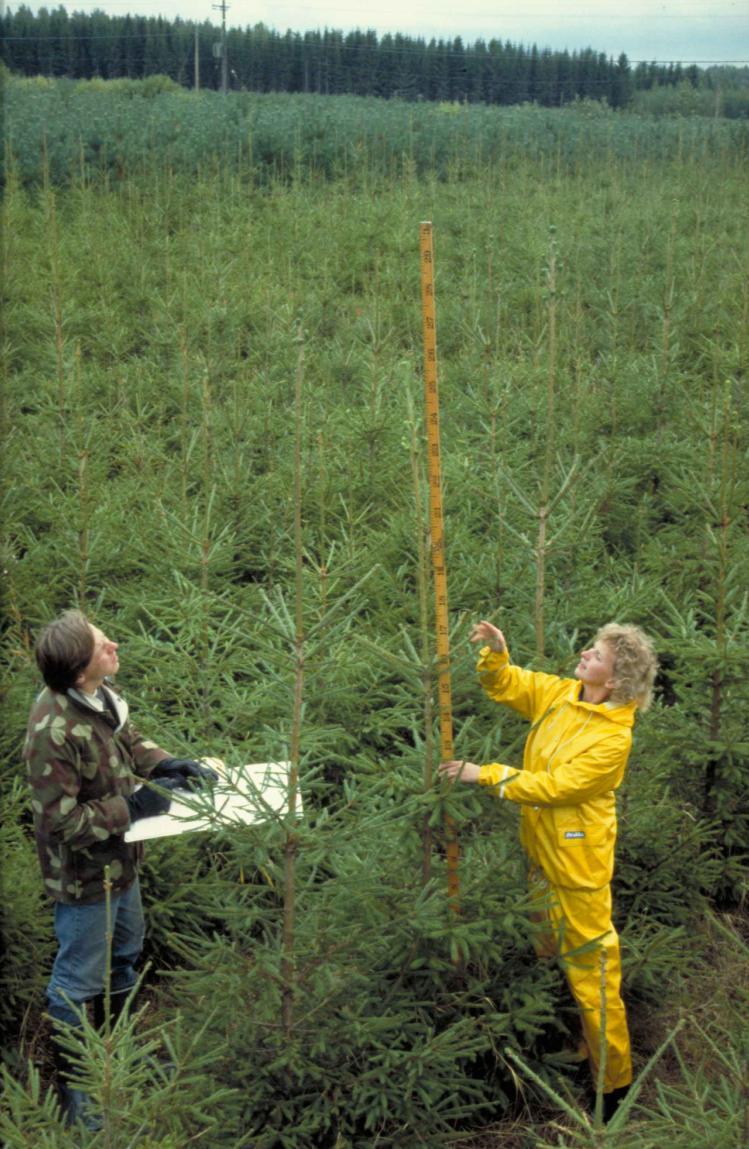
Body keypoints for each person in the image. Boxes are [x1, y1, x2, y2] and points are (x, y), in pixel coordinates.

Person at [439, 618, 658, 1122]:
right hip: (539, 855)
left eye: (595, 656)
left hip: (577, 868)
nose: (584, 656)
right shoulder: (563, 694)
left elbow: (555, 787)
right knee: (547, 954)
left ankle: (613, 1085)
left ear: (617, 680)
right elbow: (509, 684)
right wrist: (495, 653)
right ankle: (567, 1041)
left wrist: (485, 773)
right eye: (589, 649)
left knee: (593, 974)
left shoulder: (612, 740)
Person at [23, 609, 216, 1126]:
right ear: (81, 668)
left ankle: (118, 1056)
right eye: (104, 645)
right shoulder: (52, 729)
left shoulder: (100, 697)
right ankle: (79, 1085)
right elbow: (59, 822)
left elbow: (126, 742)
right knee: (75, 982)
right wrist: (130, 809)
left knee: (125, 955)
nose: (115, 646)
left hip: (122, 863)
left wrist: (167, 764)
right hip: (84, 877)